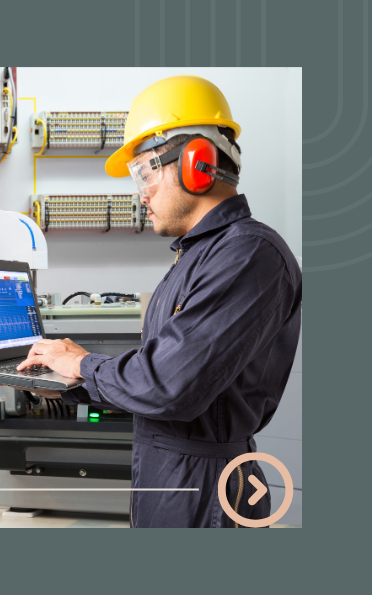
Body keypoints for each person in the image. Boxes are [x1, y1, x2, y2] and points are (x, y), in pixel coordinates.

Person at [18, 75, 302, 528]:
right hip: (169, 478)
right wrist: (69, 383)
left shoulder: (249, 254)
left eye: (145, 173)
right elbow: (161, 373)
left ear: (197, 163)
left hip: (206, 492)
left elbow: (170, 386)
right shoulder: (199, 255)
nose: (141, 192)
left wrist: (82, 364)